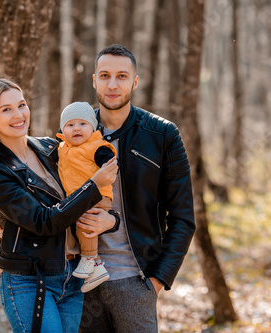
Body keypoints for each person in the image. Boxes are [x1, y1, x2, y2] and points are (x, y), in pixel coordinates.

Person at [0, 78, 119, 333]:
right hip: (29, 279)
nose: (19, 115)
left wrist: (111, 220)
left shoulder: (51, 148)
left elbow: (80, 197)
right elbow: (43, 221)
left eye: (22, 105)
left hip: (73, 274)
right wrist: (94, 185)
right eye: (6, 109)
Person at [79, 44, 196, 332]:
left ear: (135, 81)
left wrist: (156, 281)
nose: (113, 84)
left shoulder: (162, 134)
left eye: (122, 76)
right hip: (79, 282)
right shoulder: (75, 131)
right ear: (94, 80)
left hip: (135, 280)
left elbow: (183, 218)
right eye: (105, 75)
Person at [55, 101, 117, 292]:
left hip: (97, 197)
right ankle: (96, 267)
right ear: (62, 130)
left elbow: (109, 162)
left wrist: (108, 164)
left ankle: (89, 258)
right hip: (76, 199)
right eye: (70, 125)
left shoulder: (96, 146)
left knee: (85, 224)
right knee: (77, 227)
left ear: (93, 127)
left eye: (83, 124)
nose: (77, 129)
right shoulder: (61, 148)